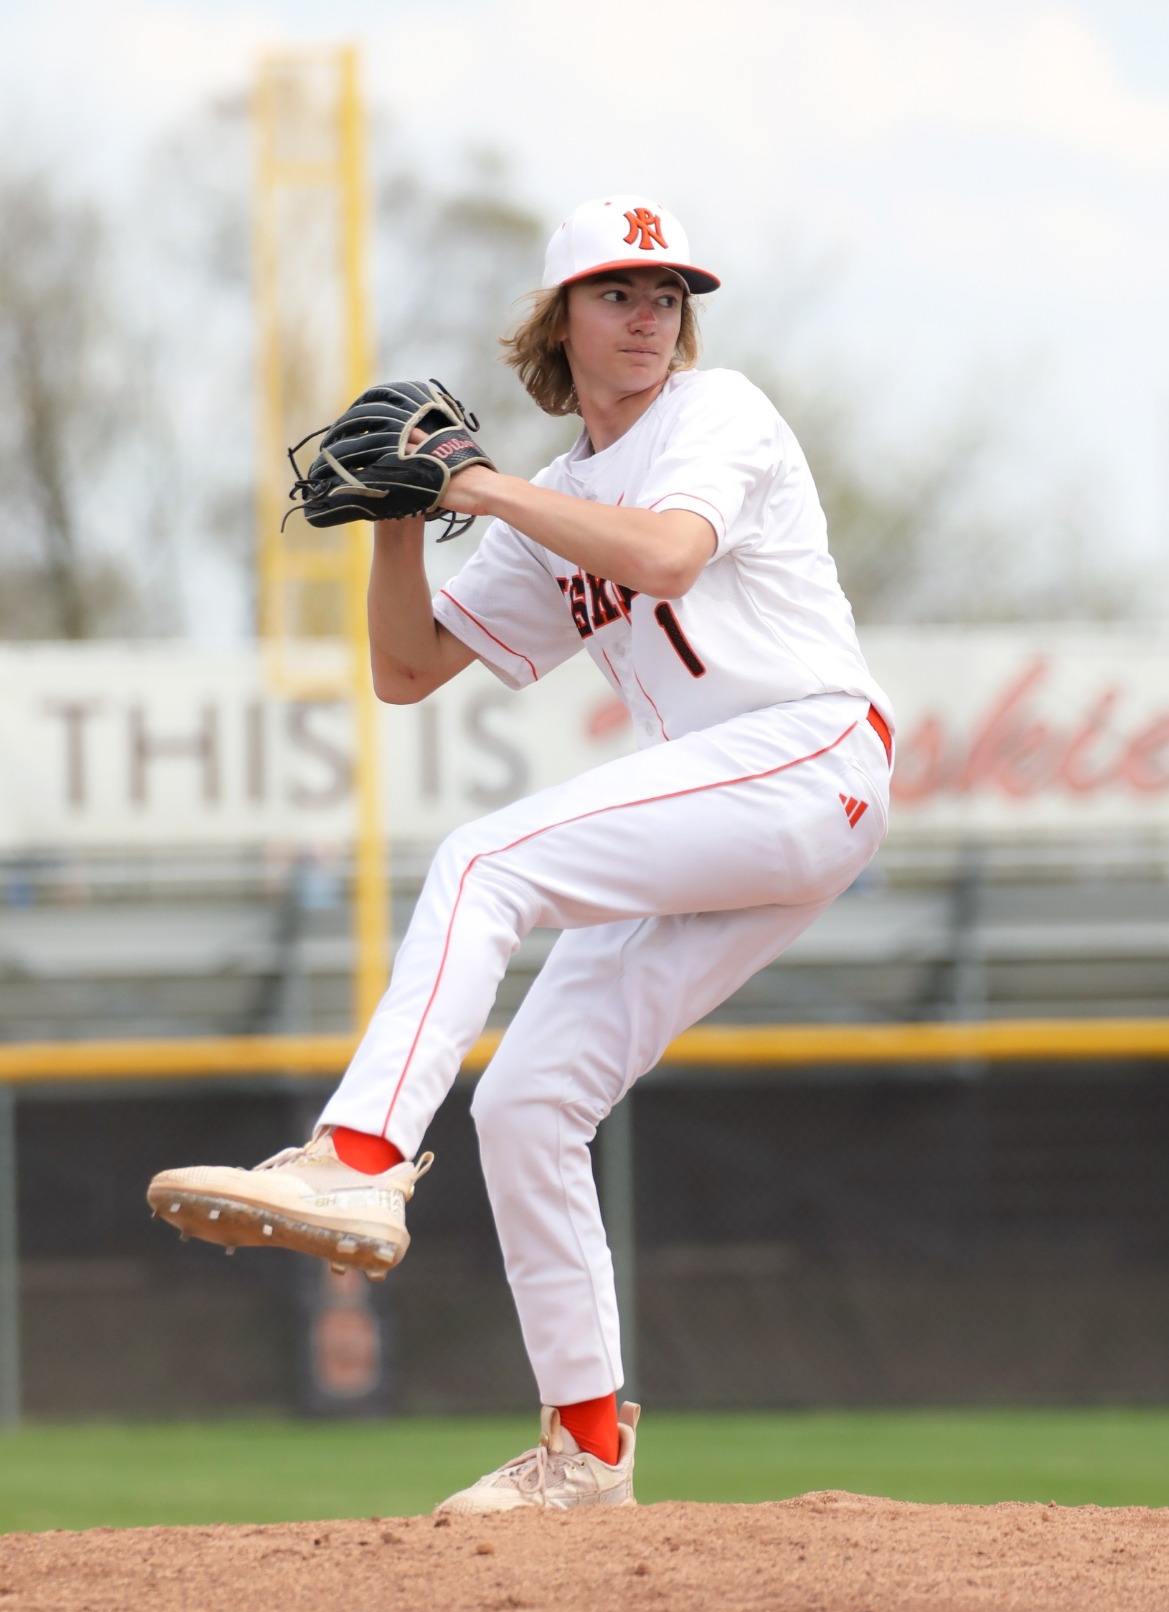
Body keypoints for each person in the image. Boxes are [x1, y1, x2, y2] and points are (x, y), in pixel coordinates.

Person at [149, 194, 894, 1513]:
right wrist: (399, 518)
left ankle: (357, 1160)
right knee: (530, 1101)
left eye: (666, 293)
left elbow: (667, 556)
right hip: (731, 807)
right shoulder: (551, 498)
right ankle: (587, 1451)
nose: (648, 315)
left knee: (487, 861)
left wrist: (474, 485)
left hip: (807, 751)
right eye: (616, 291)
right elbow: (406, 667)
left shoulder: (717, 415)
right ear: (558, 322)